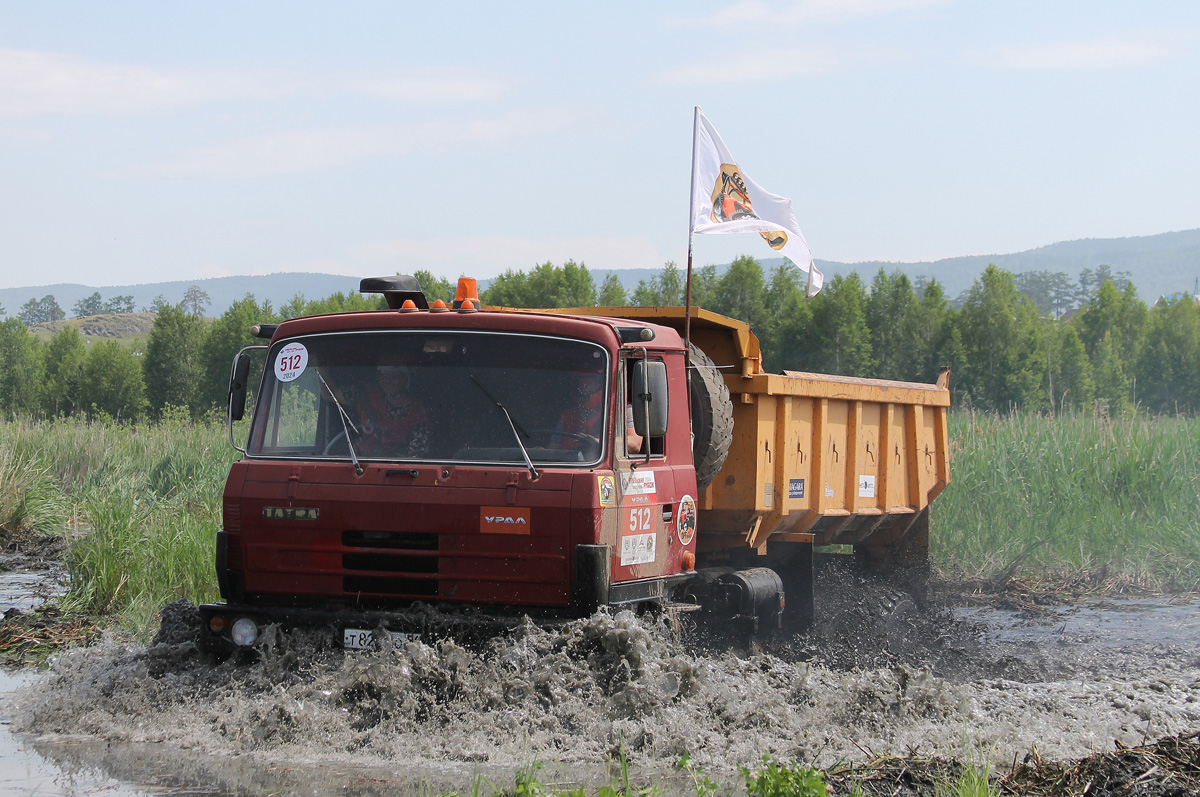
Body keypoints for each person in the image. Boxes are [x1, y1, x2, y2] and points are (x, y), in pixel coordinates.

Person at [355, 365, 431, 458]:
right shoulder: (369, 396)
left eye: (394, 376)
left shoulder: (417, 415)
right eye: (383, 376)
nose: (387, 381)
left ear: (406, 379)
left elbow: (415, 460)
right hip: (359, 464)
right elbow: (333, 395)